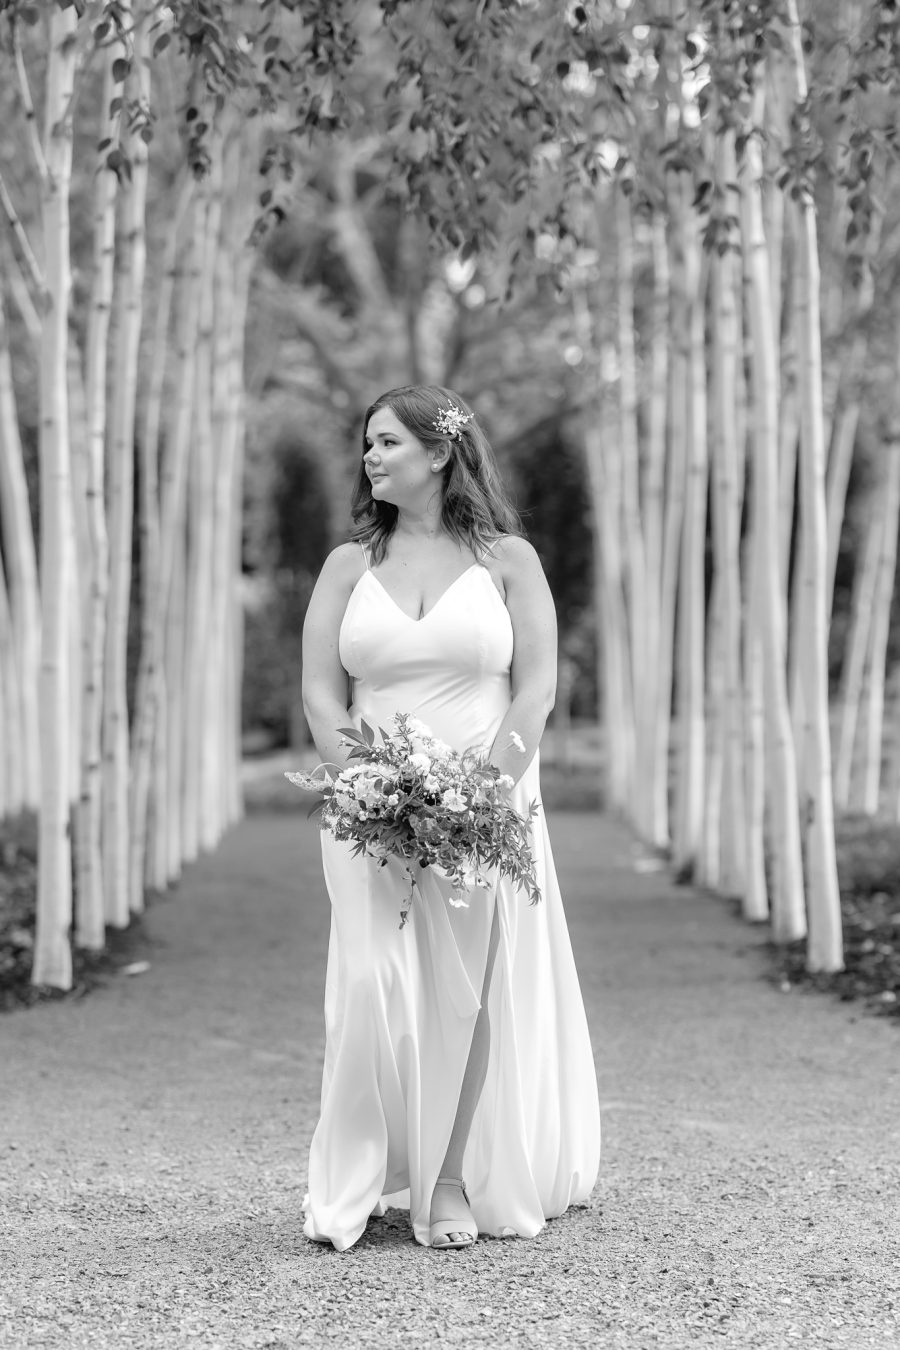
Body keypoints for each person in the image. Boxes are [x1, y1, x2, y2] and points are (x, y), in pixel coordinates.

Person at [300, 384, 601, 1252]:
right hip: (368, 810)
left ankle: (447, 1183)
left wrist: (481, 792)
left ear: (440, 452)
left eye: (388, 442)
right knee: (368, 988)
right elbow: (323, 691)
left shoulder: (509, 560)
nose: (370, 456)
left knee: (468, 989)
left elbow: (536, 688)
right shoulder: (347, 566)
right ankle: (353, 1180)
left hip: (489, 803)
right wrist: (366, 784)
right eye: (367, 444)